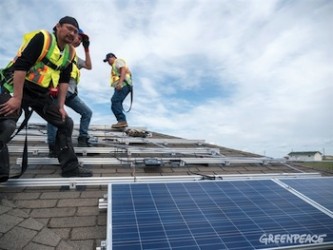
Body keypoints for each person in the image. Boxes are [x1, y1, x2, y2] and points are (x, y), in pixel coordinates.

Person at [0, 16, 92, 178]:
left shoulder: (70, 53)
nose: (72, 33)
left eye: (75, 31)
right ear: (58, 26)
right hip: (17, 87)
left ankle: (70, 168)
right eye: (69, 28)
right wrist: (16, 98)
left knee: (66, 123)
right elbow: (21, 67)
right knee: (7, 125)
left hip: (40, 93)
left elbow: (64, 80)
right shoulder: (43, 38)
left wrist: (61, 106)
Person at [47, 28, 93, 153]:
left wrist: (86, 48)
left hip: (70, 92)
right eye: (79, 37)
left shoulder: (74, 57)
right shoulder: (58, 50)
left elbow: (89, 66)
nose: (79, 40)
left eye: (82, 40)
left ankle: (83, 137)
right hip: (56, 90)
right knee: (54, 117)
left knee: (87, 113)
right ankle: (52, 145)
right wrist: (53, 86)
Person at [103, 53, 132, 128]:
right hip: (122, 85)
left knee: (115, 101)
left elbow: (123, 69)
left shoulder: (117, 61)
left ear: (113, 57)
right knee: (117, 103)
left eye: (108, 60)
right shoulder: (114, 66)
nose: (108, 62)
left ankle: (122, 121)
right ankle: (121, 122)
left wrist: (120, 83)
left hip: (123, 85)